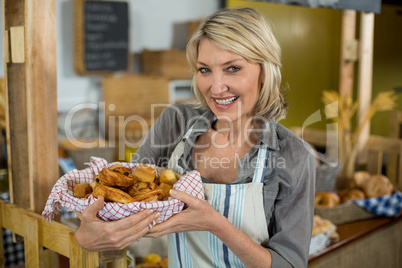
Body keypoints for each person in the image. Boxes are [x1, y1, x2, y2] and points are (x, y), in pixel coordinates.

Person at [76, 7, 316, 267]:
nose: (215, 87)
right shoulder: (175, 123)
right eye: (204, 70)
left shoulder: (294, 156)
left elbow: (289, 264)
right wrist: (89, 233)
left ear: (264, 71)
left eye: (233, 68)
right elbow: (125, 201)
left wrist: (215, 224)